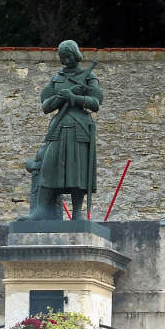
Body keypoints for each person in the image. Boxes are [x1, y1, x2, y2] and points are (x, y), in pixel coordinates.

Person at [19, 40, 103, 221]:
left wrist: (74, 97)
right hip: (58, 126)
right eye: (63, 57)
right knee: (48, 166)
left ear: (76, 55)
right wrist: (62, 96)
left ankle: (77, 213)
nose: (66, 61)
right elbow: (46, 106)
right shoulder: (56, 78)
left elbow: (95, 103)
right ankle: (39, 211)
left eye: (69, 56)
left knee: (77, 171)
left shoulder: (89, 76)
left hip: (80, 127)